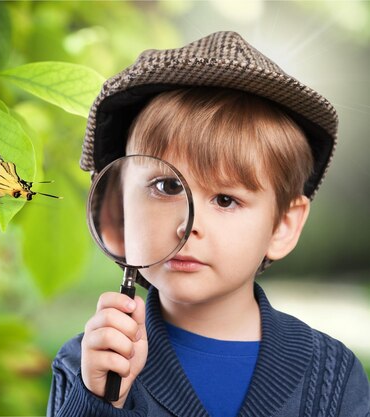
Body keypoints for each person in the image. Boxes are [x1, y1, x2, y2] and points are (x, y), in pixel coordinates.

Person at [47, 31, 370, 417]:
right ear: (117, 206)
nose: (187, 226)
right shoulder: (87, 364)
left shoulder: (333, 375)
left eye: (226, 199)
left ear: (283, 226)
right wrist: (101, 401)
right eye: (166, 186)